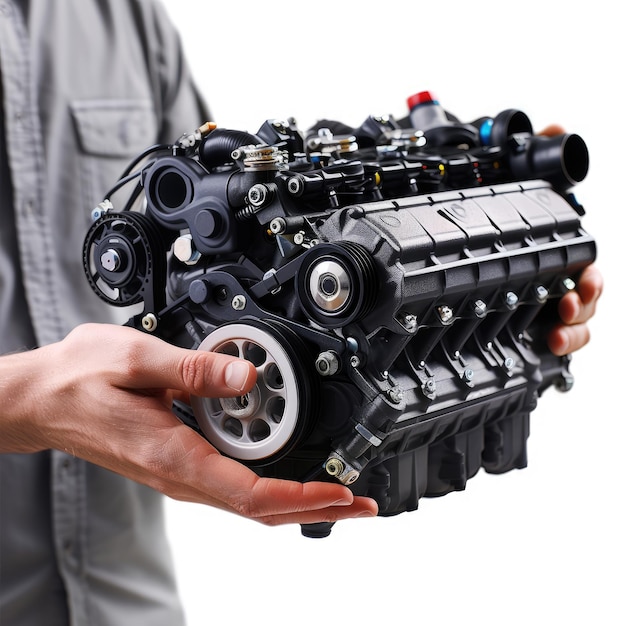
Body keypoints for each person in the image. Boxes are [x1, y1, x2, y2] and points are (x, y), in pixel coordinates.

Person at [0, 1, 603, 625]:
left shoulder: (124, 19)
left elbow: (218, 217)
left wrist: (523, 277)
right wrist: (28, 402)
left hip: (127, 600)